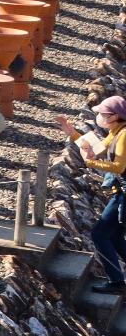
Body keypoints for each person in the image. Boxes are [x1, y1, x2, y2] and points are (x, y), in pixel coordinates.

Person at [59, 96, 126, 292]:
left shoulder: (123, 135)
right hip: (120, 192)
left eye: (103, 114)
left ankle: (116, 282)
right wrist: (72, 133)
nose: (99, 117)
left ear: (115, 116)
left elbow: (119, 166)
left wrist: (91, 164)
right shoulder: (116, 132)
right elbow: (97, 148)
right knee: (113, 235)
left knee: (99, 234)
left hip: (122, 194)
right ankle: (117, 281)